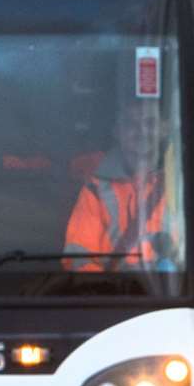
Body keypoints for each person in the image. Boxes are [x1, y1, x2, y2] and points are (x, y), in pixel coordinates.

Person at [63, 100, 174, 271]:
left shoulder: (183, 183)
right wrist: (108, 292)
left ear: (164, 129)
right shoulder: (95, 191)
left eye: (150, 123)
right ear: (117, 131)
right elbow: (78, 260)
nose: (141, 132)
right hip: (113, 294)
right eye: (131, 124)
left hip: (175, 295)